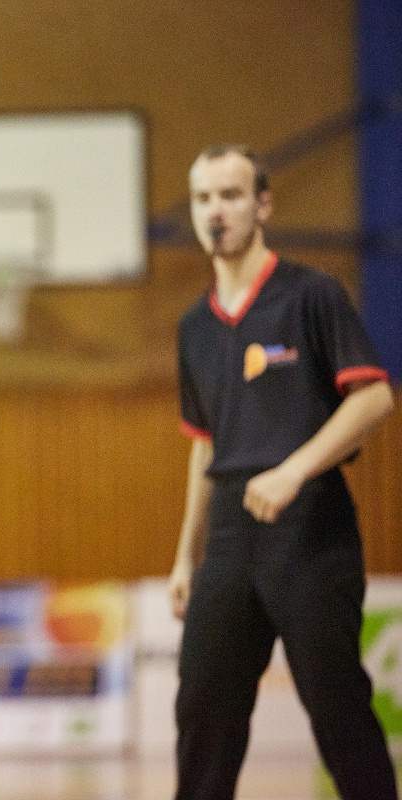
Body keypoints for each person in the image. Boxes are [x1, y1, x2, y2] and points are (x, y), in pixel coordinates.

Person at [168, 145, 397, 799]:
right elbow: (203, 447)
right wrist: (185, 558)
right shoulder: (194, 327)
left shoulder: (311, 294)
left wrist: (294, 471)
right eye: (203, 198)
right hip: (229, 536)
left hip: (311, 527)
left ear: (262, 205)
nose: (216, 211)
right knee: (203, 711)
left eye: (231, 195)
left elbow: (375, 398)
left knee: (338, 708)